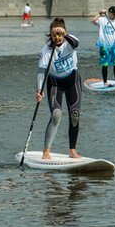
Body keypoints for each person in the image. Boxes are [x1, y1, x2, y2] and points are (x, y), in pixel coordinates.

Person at [36, 18, 83, 160]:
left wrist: (64, 33)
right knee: (56, 115)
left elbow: (76, 43)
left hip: (72, 81)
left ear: (64, 33)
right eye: (54, 34)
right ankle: (46, 150)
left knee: (74, 115)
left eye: (60, 34)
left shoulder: (70, 42)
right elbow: (40, 71)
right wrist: (39, 90)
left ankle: (72, 150)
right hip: (55, 83)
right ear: (50, 35)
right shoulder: (46, 51)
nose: (57, 37)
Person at [90, 5, 115, 86]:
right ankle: (105, 82)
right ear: (109, 13)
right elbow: (92, 20)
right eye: (114, 14)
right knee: (105, 64)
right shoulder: (102, 20)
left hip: (113, 46)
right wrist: (100, 13)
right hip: (104, 46)